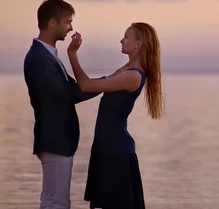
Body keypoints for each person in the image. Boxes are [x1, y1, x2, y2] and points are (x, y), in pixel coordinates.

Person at [23, 0, 121, 209]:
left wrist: (110, 79)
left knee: (52, 201)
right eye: (67, 22)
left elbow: (75, 89)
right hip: (55, 139)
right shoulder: (40, 58)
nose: (71, 28)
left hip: (56, 140)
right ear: (52, 23)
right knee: (57, 203)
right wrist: (111, 82)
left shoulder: (48, 56)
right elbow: (71, 94)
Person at [66, 22, 165, 209]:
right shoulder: (126, 69)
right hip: (108, 146)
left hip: (116, 150)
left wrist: (72, 54)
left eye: (126, 37)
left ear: (138, 44)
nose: (121, 40)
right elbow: (92, 86)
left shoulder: (133, 76)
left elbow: (87, 85)